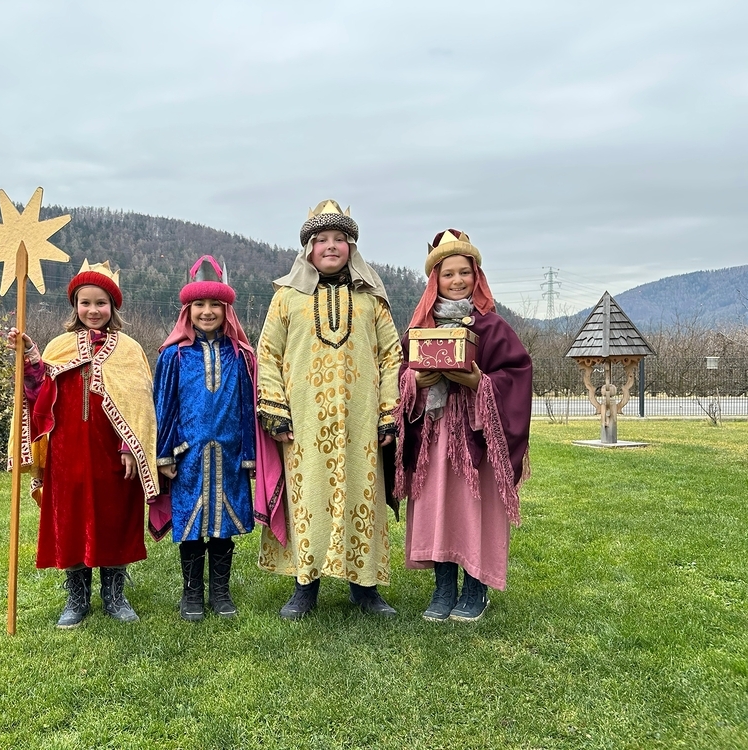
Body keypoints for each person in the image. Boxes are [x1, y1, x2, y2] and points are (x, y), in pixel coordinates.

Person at [255, 199, 403, 619]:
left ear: (352, 247)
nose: (331, 246)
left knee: (362, 499)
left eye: (340, 238)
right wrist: (275, 409)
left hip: (361, 422)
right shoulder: (286, 299)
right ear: (309, 249)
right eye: (322, 239)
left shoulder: (372, 301)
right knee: (308, 499)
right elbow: (268, 355)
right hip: (303, 422)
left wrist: (388, 412)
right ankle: (306, 585)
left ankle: (365, 587)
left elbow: (391, 356)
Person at [7, 259, 158, 627]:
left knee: (115, 518)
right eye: (85, 302)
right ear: (75, 305)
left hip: (113, 454)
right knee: (70, 520)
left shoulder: (129, 349)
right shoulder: (59, 346)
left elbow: (140, 404)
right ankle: (77, 598)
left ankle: (114, 595)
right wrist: (29, 356)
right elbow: (37, 395)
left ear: (113, 306)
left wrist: (130, 448)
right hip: (67, 452)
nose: (93, 310)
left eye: (101, 303)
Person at [394, 230, 532, 622]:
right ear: (434, 280)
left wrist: (479, 382)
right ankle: (443, 589)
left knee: (474, 508)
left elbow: (517, 375)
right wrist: (413, 381)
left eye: (464, 273)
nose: (457, 281)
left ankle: (475, 590)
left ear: (477, 277)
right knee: (437, 507)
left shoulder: (493, 328)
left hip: (476, 439)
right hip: (434, 437)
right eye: (448, 274)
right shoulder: (419, 329)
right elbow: (398, 375)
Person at [151, 256, 257, 621]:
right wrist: (164, 454)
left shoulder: (240, 356)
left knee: (224, 525)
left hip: (229, 452)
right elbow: (163, 406)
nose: (207, 311)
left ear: (227, 310)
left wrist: (249, 452)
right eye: (199, 305)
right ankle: (192, 594)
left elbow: (247, 406)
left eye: (215, 305)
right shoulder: (174, 356)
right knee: (192, 525)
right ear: (188, 310)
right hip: (188, 454)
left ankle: (221, 593)